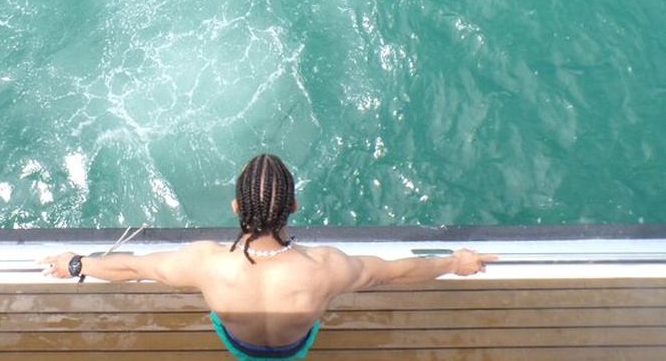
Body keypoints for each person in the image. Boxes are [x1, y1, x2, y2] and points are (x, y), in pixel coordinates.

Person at [42, 154, 497, 360]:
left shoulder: (206, 264)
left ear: (237, 208)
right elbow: (396, 273)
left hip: (237, 345)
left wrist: (76, 264)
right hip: (295, 347)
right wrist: (455, 262)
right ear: (293, 208)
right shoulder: (327, 269)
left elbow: (133, 269)